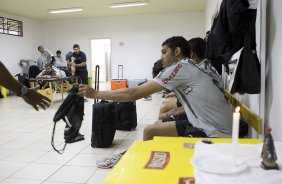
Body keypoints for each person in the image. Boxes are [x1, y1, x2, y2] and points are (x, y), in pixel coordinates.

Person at [78, 36, 232, 168]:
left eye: (164, 52)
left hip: (213, 132)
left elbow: (134, 93)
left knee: (164, 150)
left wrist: (95, 93)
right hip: (202, 123)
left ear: (177, 51)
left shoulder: (180, 68)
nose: (161, 57)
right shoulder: (192, 66)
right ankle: (139, 157)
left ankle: (140, 162)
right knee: (151, 130)